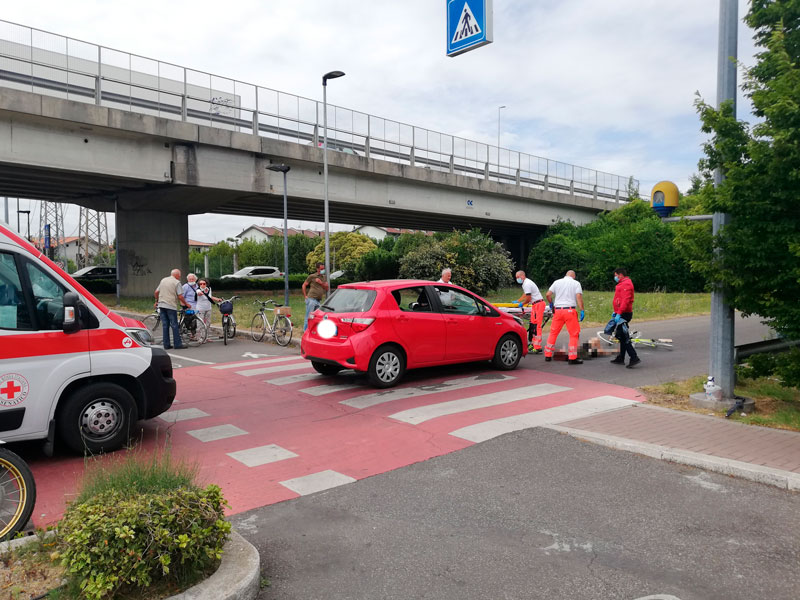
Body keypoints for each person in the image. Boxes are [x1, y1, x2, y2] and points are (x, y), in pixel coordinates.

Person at [544, 270, 585, 364]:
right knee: (574, 334)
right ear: (573, 276)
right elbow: (578, 296)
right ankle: (572, 358)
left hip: (558, 310)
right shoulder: (576, 283)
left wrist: (551, 303)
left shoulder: (557, 282)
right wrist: (582, 309)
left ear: (566, 275)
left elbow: (548, 294)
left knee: (553, 333)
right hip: (570, 311)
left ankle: (548, 355)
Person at [610, 268, 640, 368]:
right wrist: (616, 311)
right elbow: (620, 299)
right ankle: (621, 357)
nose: (615, 277)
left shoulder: (626, 284)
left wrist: (619, 313)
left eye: (616, 275)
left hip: (624, 313)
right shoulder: (623, 283)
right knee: (622, 336)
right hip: (621, 313)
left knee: (624, 336)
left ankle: (634, 357)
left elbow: (625, 300)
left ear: (620, 275)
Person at [154, 268, 190, 350]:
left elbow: (156, 292)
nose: (180, 277)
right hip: (170, 305)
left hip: (161, 305)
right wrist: (186, 303)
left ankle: (166, 345)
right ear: (176, 275)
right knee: (174, 325)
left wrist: (156, 301)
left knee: (165, 325)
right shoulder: (177, 282)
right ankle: (177, 344)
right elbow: (180, 296)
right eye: (179, 275)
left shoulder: (163, 280)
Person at [514, 270, 545, 353]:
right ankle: (534, 344)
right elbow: (526, 294)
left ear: (522, 276)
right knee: (533, 325)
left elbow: (528, 298)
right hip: (536, 305)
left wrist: (522, 303)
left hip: (538, 304)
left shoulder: (527, 283)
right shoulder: (526, 283)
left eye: (517, 277)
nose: (517, 279)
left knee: (536, 326)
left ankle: (537, 346)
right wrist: (518, 300)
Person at [302, 262, 329, 331]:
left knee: (316, 317)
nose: (323, 270)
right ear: (317, 269)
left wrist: (321, 283)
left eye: (323, 269)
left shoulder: (324, 277)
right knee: (308, 316)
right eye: (321, 269)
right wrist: (305, 296)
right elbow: (304, 285)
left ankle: (313, 331)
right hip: (311, 299)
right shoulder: (312, 276)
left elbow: (327, 288)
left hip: (318, 300)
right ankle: (305, 331)